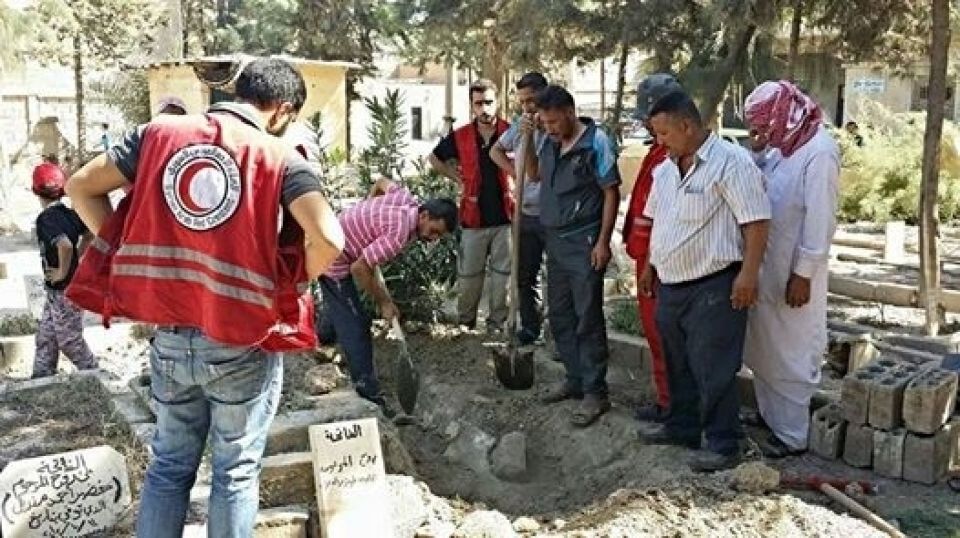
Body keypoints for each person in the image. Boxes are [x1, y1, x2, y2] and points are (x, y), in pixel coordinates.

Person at [64, 57, 345, 538]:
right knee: (234, 472)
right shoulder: (280, 157)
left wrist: (119, 242)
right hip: (241, 341)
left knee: (168, 466)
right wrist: (293, 282)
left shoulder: (157, 135)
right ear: (281, 111)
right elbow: (329, 238)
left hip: (170, 339)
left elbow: (79, 187)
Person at [637, 91, 770, 472]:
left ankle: (724, 443)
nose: (658, 142)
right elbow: (658, 222)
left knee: (713, 367)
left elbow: (757, 221)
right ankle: (682, 426)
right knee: (677, 361)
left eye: (663, 133)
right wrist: (649, 267)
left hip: (714, 283)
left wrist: (748, 275)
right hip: (671, 284)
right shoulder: (665, 169)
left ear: (687, 125)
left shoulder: (731, 163)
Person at [742, 80, 840, 458]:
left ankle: (793, 435)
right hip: (769, 266)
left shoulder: (819, 151)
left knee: (792, 352)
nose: (761, 133)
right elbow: (768, 176)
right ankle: (771, 418)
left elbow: (821, 220)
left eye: (764, 125)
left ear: (785, 113)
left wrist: (803, 274)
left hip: (796, 274)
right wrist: (755, 151)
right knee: (766, 346)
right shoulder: (785, 145)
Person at [317, 177, 458, 416]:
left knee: (343, 304)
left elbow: (382, 182)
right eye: (434, 231)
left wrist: (367, 212)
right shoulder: (397, 235)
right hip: (332, 256)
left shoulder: (406, 199)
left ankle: (323, 336)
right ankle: (370, 396)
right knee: (357, 326)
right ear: (423, 216)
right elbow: (359, 269)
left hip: (336, 237)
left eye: (439, 236)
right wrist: (385, 302)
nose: (433, 238)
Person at [532, 85, 620, 427]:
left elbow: (610, 193)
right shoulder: (546, 140)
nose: (550, 127)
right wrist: (528, 138)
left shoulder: (596, 142)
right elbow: (533, 174)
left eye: (554, 121)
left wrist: (602, 242)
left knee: (587, 317)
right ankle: (574, 378)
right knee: (560, 315)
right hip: (554, 242)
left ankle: (596, 392)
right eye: (545, 122)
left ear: (570, 112)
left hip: (583, 241)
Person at [429, 79, 513, 332]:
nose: (484, 108)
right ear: (472, 106)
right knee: (468, 277)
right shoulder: (461, 135)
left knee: (503, 278)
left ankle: (496, 325)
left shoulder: (511, 132)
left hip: (506, 218)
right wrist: (457, 178)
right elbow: (434, 158)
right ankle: (465, 325)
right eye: (479, 103)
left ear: (497, 102)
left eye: (488, 102)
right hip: (473, 218)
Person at [622, 73, 682, 423]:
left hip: (660, 260)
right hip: (647, 256)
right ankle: (666, 400)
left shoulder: (673, 157)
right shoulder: (657, 151)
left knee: (667, 335)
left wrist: (651, 264)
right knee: (655, 332)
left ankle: (675, 404)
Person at [489, 71, 548, 345]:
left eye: (532, 100)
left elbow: (537, 174)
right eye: (523, 101)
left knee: (556, 279)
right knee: (525, 275)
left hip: (552, 214)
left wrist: (535, 134)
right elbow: (495, 151)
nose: (528, 107)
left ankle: (556, 333)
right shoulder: (520, 126)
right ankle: (530, 328)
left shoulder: (554, 126)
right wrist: (514, 171)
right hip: (525, 211)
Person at [30, 162, 98, 378]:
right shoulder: (69, 214)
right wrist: (79, 255)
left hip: (64, 290)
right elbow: (89, 234)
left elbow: (65, 246)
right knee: (46, 337)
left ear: (35, 191)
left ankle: (95, 374)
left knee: (69, 340)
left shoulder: (46, 219)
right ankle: (41, 377)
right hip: (59, 290)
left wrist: (61, 271)